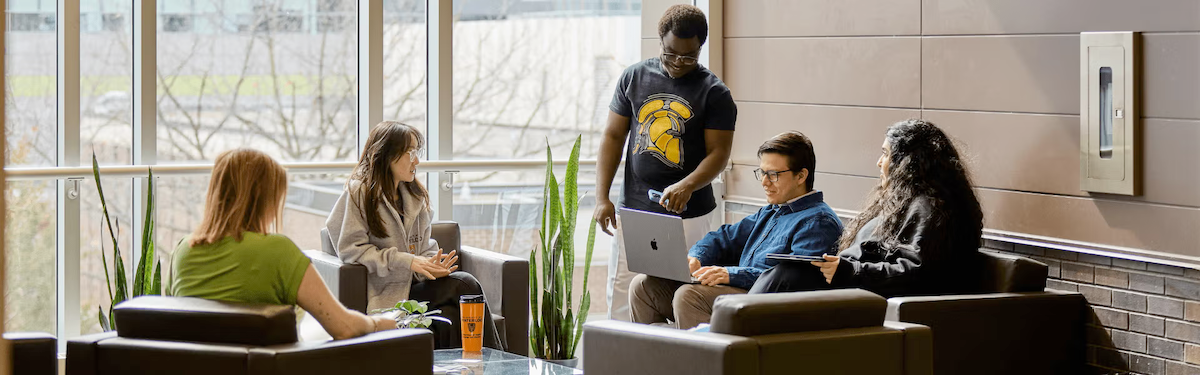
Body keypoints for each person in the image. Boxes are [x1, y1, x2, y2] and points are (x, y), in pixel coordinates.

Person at [595, 4, 738, 321]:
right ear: (660, 41)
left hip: (689, 215)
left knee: (684, 292)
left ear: (700, 47)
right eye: (670, 54)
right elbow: (613, 137)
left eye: (688, 57)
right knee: (621, 295)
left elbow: (719, 153)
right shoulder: (634, 77)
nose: (678, 63)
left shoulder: (715, 92)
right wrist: (602, 197)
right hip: (633, 210)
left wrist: (688, 185)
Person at [172, 148, 396, 340]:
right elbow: (343, 327)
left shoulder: (184, 250)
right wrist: (380, 323)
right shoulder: (277, 250)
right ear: (263, 199)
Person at [629, 131, 842, 329]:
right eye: (762, 173)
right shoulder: (772, 211)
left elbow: (793, 282)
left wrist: (730, 274)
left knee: (689, 296)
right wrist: (696, 258)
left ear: (801, 176)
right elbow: (723, 237)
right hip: (745, 294)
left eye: (773, 174)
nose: (765, 182)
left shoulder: (818, 222)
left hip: (768, 304)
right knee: (643, 287)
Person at [324, 121, 503, 350]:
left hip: (416, 287)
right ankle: (500, 361)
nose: (416, 161)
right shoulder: (359, 193)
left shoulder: (414, 195)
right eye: (410, 152)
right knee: (465, 284)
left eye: (417, 152)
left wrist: (430, 265)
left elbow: (425, 246)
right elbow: (351, 249)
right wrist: (409, 262)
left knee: (448, 315)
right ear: (386, 154)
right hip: (388, 291)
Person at [755, 119, 985, 298]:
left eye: (885, 154)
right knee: (785, 272)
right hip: (855, 290)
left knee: (787, 276)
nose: (879, 162)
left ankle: (733, 339)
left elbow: (918, 271)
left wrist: (848, 270)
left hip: (868, 298)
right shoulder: (905, 203)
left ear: (908, 162)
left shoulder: (929, 208)